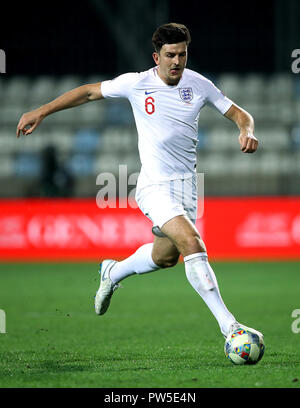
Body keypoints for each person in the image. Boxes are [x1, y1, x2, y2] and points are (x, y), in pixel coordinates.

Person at [17, 23, 262, 341]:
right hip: (153, 186)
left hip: (188, 186)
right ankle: (230, 327)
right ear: (156, 56)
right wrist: (43, 111)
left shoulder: (199, 85)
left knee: (166, 257)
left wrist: (247, 130)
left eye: (182, 54)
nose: (177, 62)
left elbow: (239, 114)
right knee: (193, 243)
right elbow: (89, 91)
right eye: (170, 55)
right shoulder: (137, 83)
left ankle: (113, 271)